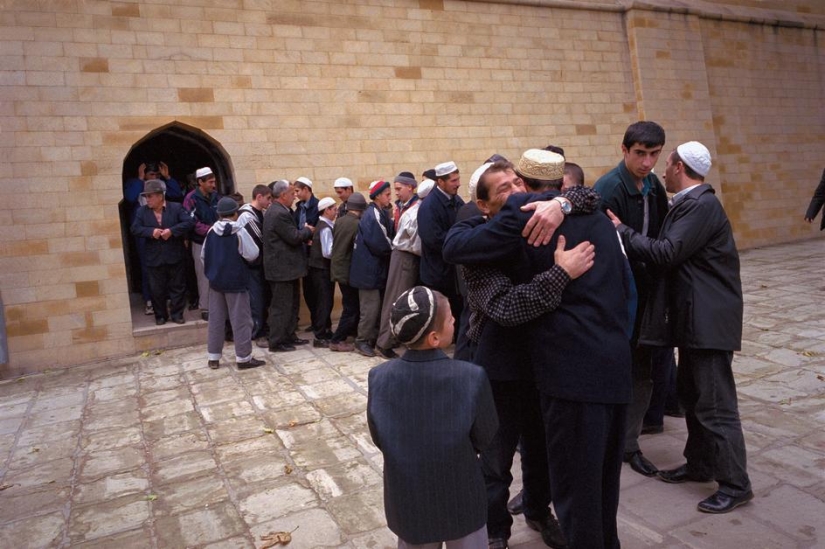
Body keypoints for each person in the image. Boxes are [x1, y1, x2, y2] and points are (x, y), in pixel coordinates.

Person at [445, 154, 633, 548]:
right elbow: (506, 307)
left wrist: (562, 203)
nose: (515, 194)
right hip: (503, 371)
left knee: (549, 461)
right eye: (504, 190)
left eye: (517, 183)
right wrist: (561, 273)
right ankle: (496, 532)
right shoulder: (480, 242)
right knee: (496, 462)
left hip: (550, 373)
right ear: (482, 205)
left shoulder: (553, 218)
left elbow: (586, 197)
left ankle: (538, 511)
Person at [608, 141, 753, 514]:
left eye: (666, 162)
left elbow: (667, 252)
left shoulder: (700, 206)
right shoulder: (692, 203)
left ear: (679, 167)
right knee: (694, 396)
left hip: (708, 322)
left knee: (716, 405)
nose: (659, 169)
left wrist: (621, 229)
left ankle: (736, 484)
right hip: (695, 320)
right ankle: (702, 464)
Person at [367, 286, 499, 548]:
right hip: (461, 495)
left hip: (408, 498)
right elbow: (485, 436)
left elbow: (379, 436)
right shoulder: (471, 377)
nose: (455, 321)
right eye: (450, 318)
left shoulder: (379, 377)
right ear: (435, 338)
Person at [593, 120, 669, 478]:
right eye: (640, 153)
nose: (647, 162)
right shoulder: (608, 188)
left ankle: (630, 442)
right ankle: (605, 439)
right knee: (612, 368)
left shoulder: (654, 186)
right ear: (625, 150)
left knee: (643, 370)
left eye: (653, 154)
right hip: (618, 295)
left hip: (649, 293)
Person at [201, 197, 265, 370]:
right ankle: (243, 358)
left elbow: (203, 256)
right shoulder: (239, 231)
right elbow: (252, 253)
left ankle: (213, 357)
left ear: (219, 214)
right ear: (235, 213)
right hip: (236, 281)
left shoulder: (211, 232)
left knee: (216, 319)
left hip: (216, 282)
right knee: (241, 320)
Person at [375, 176, 433, 359]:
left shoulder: (413, 209)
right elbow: (415, 243)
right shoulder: (417, 212)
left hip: (404, 257)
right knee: (396, 300)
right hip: (405, 258)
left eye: (399, 188)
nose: (396, 192)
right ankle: (384, 343)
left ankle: (391, 339)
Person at [124, 161, 184, 315]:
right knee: (148, 267)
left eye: (157, 175)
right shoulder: (136, 184)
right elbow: (130, 198)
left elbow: (177, 195)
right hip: (146, 234)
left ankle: (171, 300)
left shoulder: (161, 187)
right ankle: (150, 300)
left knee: (171, 268)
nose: (155, 178)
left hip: (166, 233)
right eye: (152, 174)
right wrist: (140, 179)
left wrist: (167, 178)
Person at [130, 179, 193, 325]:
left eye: (150, 196)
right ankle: (160, 315)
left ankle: (177, 314)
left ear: (160, 196)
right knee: (156, 289)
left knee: (178, 286)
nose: (147, 199)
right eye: (146, 196)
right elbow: (135, 229)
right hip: (153, 257)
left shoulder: (176, 208)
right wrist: (151, 232)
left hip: (174, 254)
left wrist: (172, 231)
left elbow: (189, 222)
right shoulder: (142, 211)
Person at [262, 180, 314, 352]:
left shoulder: (282, 210)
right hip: (281, 270)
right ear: (283, 195)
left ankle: (289, 335)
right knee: (281, 307)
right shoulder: (278, 213)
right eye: (292, 193)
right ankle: (277, 341)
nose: (295, 196)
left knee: (291, 305)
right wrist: (307, 230)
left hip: (288, 269)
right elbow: (293, 237)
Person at [350, 180, 395, 357]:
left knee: (375, 308)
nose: (389, 198)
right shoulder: (372, 215)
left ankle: (372, 338)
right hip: (367, 272)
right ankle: (362, 340)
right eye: (387, 194)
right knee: (370, 309)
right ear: (377, 196)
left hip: (373, 271)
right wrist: (395, 247)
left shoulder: (378, 212)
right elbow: (380, 243)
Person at [417, 161, 465, 326]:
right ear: (440, 182)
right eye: (453, 181)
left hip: (453, 272)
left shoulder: (456, 199)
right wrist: (459, 241)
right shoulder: (429, 206)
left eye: (458, 179)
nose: (458, 184)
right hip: (438, 273)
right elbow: (432, 238)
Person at [328, 193, 367, 352]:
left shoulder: (340, 220)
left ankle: (349, 332)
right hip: (348, 270)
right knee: (351, 307)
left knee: (348, 304)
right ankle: (337, 339)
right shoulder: (358, 224)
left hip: (338, 267)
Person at [184, 167, 221, 322]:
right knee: (203, 275)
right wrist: (211, 229)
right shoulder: (191, 199)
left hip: (217, 241)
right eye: (210, 182)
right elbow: (191, 221)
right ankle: (205, 307)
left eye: (214, 181)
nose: (213, 185)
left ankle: (218, 305)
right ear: (200, 182)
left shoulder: (216, 197)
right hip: (200, 241)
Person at [237, 184, 272, 342]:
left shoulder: (261, 213)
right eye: (268, 198)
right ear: (259, 197)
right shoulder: (246, 215)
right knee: (256, 299)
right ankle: (257, 332)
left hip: (260, 263)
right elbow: (261, 237)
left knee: (263, 297)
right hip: (252, 264)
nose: (270, 201)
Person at [307, 197, 337, 347]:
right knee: (324, 303)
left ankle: (326, 330)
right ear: (327, 210)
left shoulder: (324, 225)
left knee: (326, 302)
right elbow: (328, 252)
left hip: (321, 270)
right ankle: (320, 336)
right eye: (334, 209)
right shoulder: (325, 227)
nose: (336, 211)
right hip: (322, 270)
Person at [294, 176, 320, 331]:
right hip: (302, 253)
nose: (296, 194)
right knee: (309, 291)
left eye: (297, 191)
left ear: (306, 189)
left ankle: (321, 323)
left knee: (318, 291)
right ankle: (314, 321)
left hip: (314, 253)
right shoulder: (299, 208)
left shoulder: (317, 206)